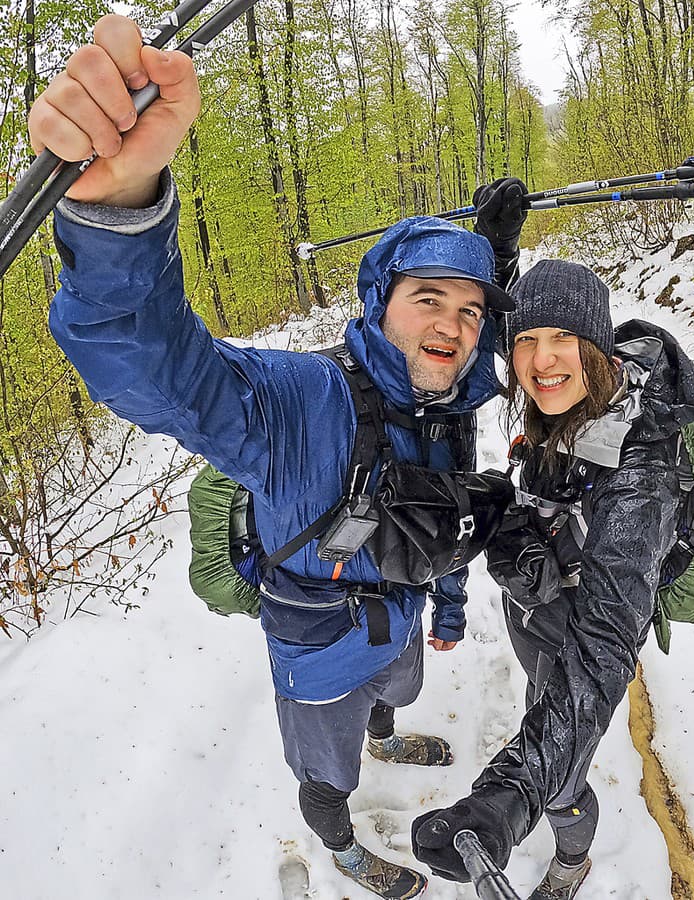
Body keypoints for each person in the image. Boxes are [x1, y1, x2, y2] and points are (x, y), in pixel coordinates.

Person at [29, 15, 527, 899]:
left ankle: (385, 735)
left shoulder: (448, 401)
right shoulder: (297, 402)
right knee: (325, 763)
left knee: (393, 696)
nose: (452, 326)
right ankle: (337, 842)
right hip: (319, 641)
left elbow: (497, 377)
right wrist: (117, 210)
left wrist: (498, 258)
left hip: (401, 619)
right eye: (429, 299)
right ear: (378, 306)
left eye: (470, 309)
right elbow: (154, 365)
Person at [412, 257, 694, 899]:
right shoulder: (582, 395)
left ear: (596, 345)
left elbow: (602, 652)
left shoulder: (640, 478)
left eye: (562, 340)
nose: (541, 361)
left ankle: (571, 858)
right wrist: (496, 247)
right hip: (539, 612)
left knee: (560, 781)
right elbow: (472, 335)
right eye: (526, 341)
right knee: (546, 729)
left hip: (570, 636)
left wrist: (512, 793)